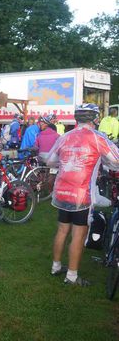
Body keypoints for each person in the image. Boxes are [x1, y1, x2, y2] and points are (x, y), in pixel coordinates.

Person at [47, 103, 119, 286]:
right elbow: (116, 160)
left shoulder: (66, 137)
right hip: (81, 194)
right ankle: (71, 276)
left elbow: (50, 161)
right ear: (95, 118)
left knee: (62, 230)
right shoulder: (97, 138)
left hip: (62, 191)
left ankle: (55, 266)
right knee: (78, 234)